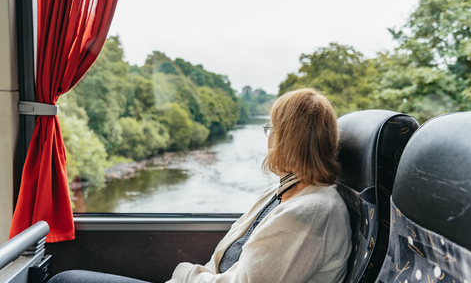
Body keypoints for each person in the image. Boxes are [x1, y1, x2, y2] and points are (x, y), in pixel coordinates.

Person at [49, 88, 352, 283]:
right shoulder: (284, 193)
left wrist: (185, 275)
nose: (268, 138)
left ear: (287, 140)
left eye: (271, 130)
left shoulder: (311, 213)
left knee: (67, 281)